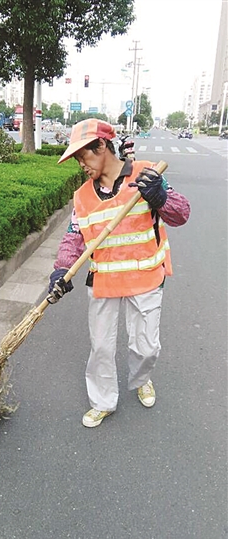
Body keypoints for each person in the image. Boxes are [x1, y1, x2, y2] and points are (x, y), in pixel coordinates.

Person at [48, 119, 190, 428]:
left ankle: (142, 379)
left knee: (146, 347)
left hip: (146, 278)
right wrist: (61, 270)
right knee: (101, 347)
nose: (81, 165)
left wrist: (161, 197)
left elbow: (181, 214)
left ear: (101, 146)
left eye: (83, 156)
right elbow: (74, 236)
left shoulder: (147, 176)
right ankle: (103, 401)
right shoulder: (83, 197)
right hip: (103, 281)